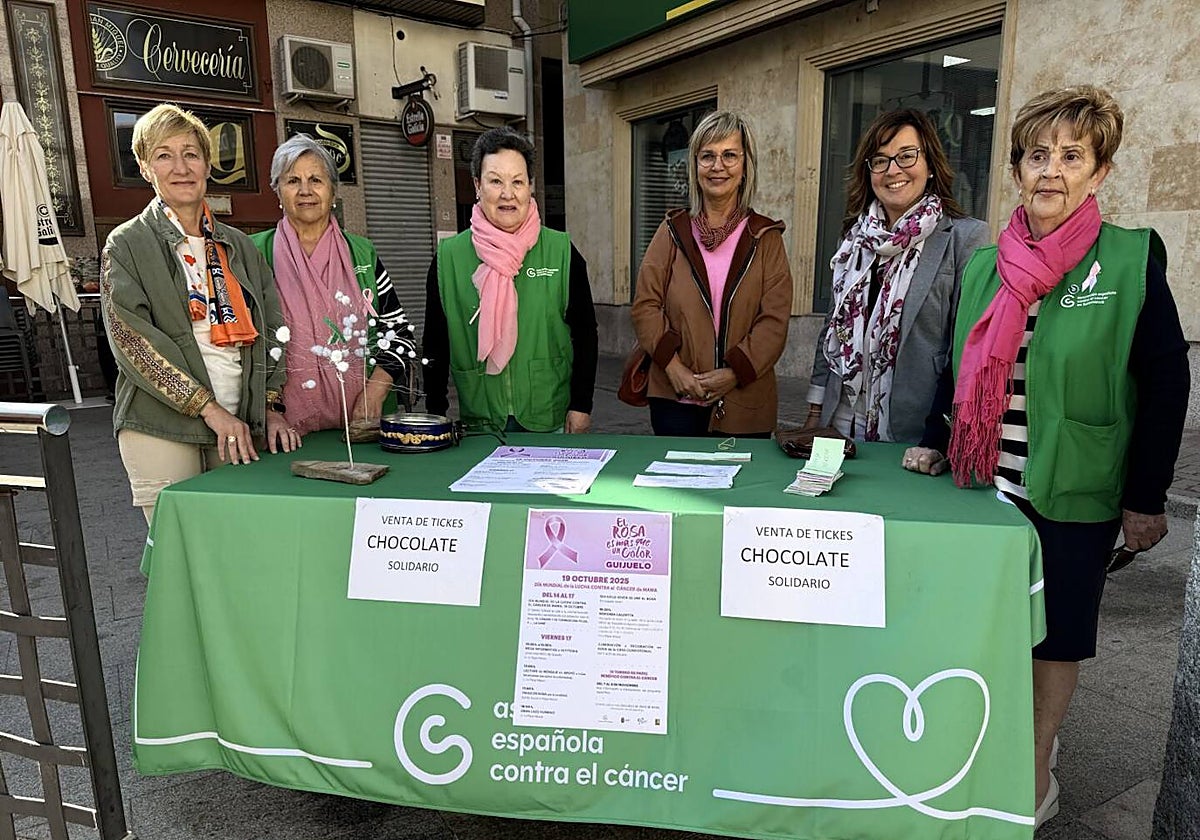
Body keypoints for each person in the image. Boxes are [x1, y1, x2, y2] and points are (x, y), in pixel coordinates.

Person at [902, 86, 1190, 827]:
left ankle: (1035, 762)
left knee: (1057, 630)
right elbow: (954, 364)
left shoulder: (1129, 257)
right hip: (987, 484)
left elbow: (1165, 377)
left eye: (1072, 155)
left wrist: (1147, 495)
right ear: (1018, 169)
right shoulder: (986, 264)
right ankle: (1000, 740)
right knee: (992, 627)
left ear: (1099, 173)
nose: (1051, 170)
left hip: (1076, 484)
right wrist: (937, 441)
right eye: (1038, 155)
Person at [100, 104, 294, 523]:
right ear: (145, 167)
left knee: (234, 546)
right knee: (177, 551)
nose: (181, 167)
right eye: (164, 155)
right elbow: (132, 343)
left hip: (238, 420)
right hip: (162, 426)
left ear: (208, 164)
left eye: (191, 153)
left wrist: (270, 405)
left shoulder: (238, 245)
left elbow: (274, 327)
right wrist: (209, 409)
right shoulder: (127, 244)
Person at [806, 108, 990, 442]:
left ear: (930, 165)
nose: (893, 171)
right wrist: (816, 409)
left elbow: (966, 348)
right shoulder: (853, 241)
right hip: (842, 421)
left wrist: (944, 436)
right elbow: (831, 327)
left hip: (915, 429)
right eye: (880, 160)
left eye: (906, 156)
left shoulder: (965, 238)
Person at [423, 127, 597, 433]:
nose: (508, 194)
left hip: (550, 416)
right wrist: (435, 413)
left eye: (518, 182)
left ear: (529, 186)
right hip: (480, 420)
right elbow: (435, 343)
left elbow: (585, 335)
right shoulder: (449, 258)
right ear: (477, 185)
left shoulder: (560, 251)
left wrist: (581, 405)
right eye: (495, 181)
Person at [631, 110, 792, 437]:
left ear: (746, 166)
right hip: (674, 399)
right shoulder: (671, 230)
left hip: (745, 402)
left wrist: (733, 373)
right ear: (695, 166)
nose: (718, 166)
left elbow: (774, 321)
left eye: (730, 155)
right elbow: (646, 305)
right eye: (708, 156)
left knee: (743, 487)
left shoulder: (766, 237)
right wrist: (674, 369)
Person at [251, 135, 417, 433]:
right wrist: (268, 410)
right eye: (292, 181)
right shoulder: (252, 254)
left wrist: (375, 391)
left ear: (333, 190)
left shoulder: (362, 254)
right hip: (282, 428)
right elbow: (240, 346)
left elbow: (400, 335)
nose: (305, 191)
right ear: (277, 191)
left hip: (363, 426)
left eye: (316, 179)